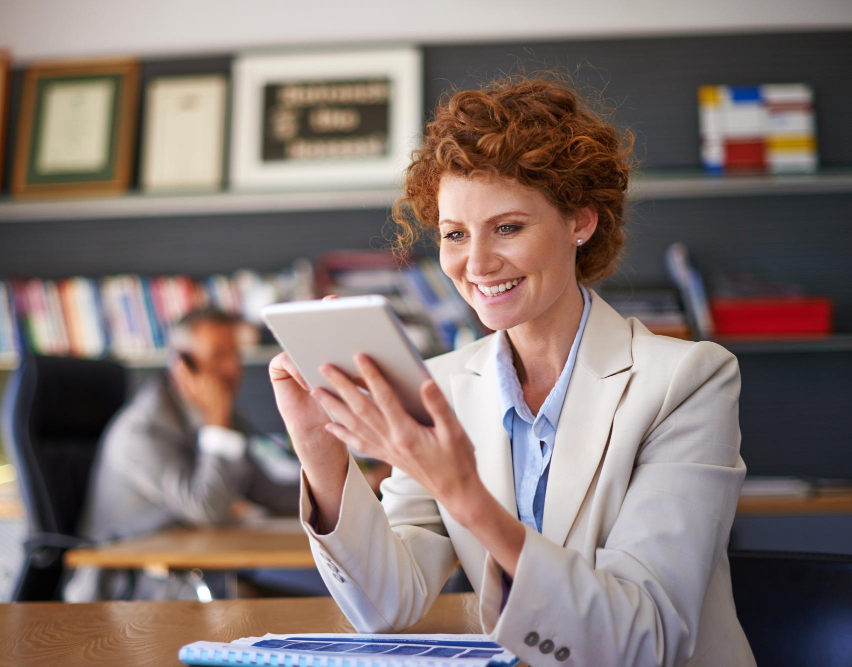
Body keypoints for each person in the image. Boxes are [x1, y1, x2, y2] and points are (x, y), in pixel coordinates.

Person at [268, 76, 755, 666]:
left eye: (507, 227)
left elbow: (642, 637)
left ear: (580, 221)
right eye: (455, 235)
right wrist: (321, 453)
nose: (476, 264)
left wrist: (460, 490)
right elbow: (386, 606)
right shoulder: (441, 384)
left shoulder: (687, 381)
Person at [65, 308, 300, 601]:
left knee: (318, 606)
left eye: (235, 355)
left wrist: (353, 484)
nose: (232, 369)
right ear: (182, 364)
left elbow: (267, 493)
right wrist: (218, 423)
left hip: (194, 573)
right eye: (218, 356)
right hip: (128, 587)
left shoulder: (221, 418)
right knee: (273, 610)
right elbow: (208, 509)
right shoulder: (142, 430)